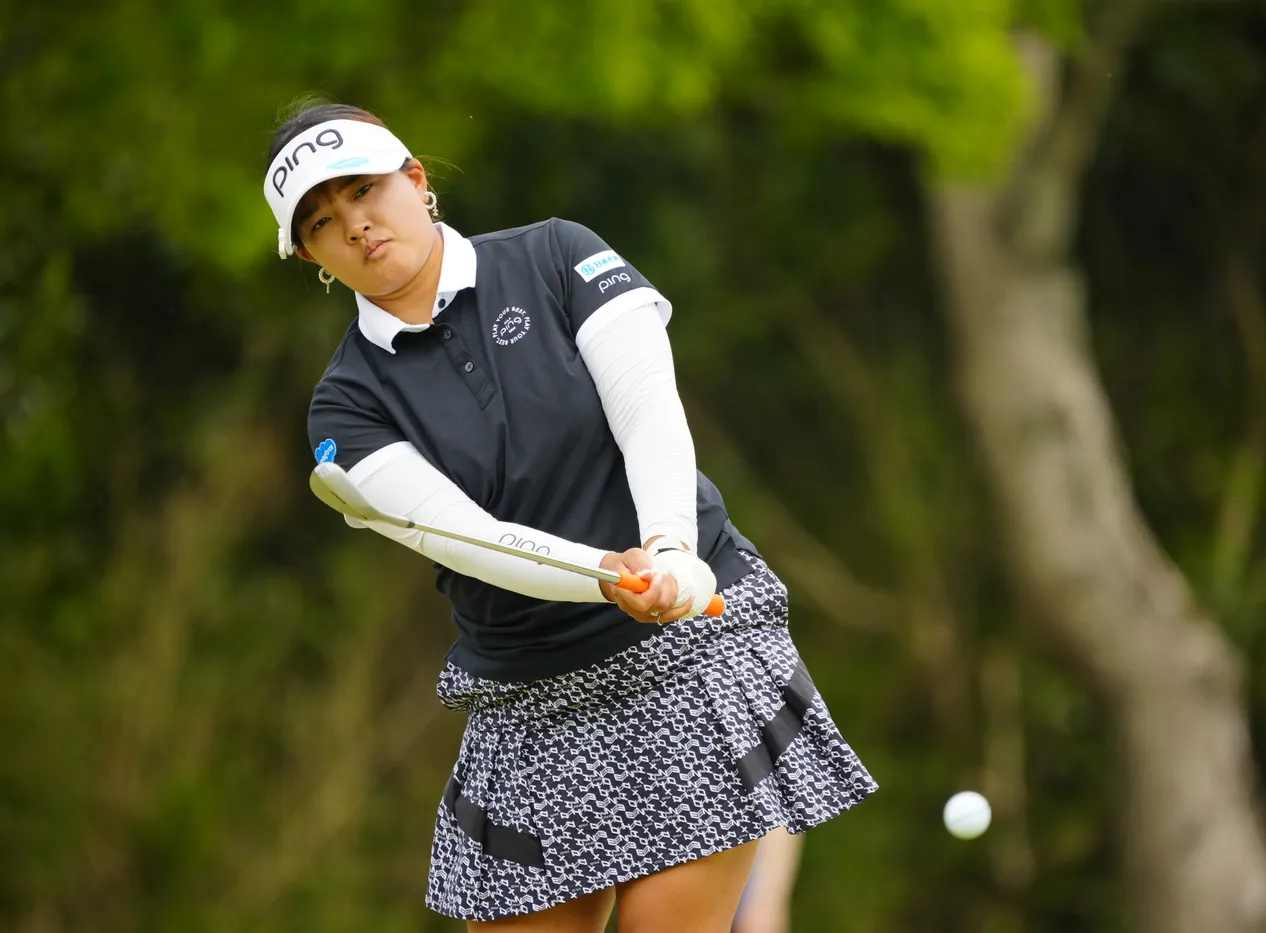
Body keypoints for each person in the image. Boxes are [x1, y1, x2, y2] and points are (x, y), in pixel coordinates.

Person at [262, 99, 876, 932]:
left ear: (416, 179)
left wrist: (671, 554)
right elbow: (468, 538)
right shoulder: (345, 406)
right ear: (312, 256)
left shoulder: (558, 255)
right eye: (322, 222)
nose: (356, 225)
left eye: (364, 190)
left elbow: (647, 410)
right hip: (528, 697)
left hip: (688, 649)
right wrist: (605, 575)